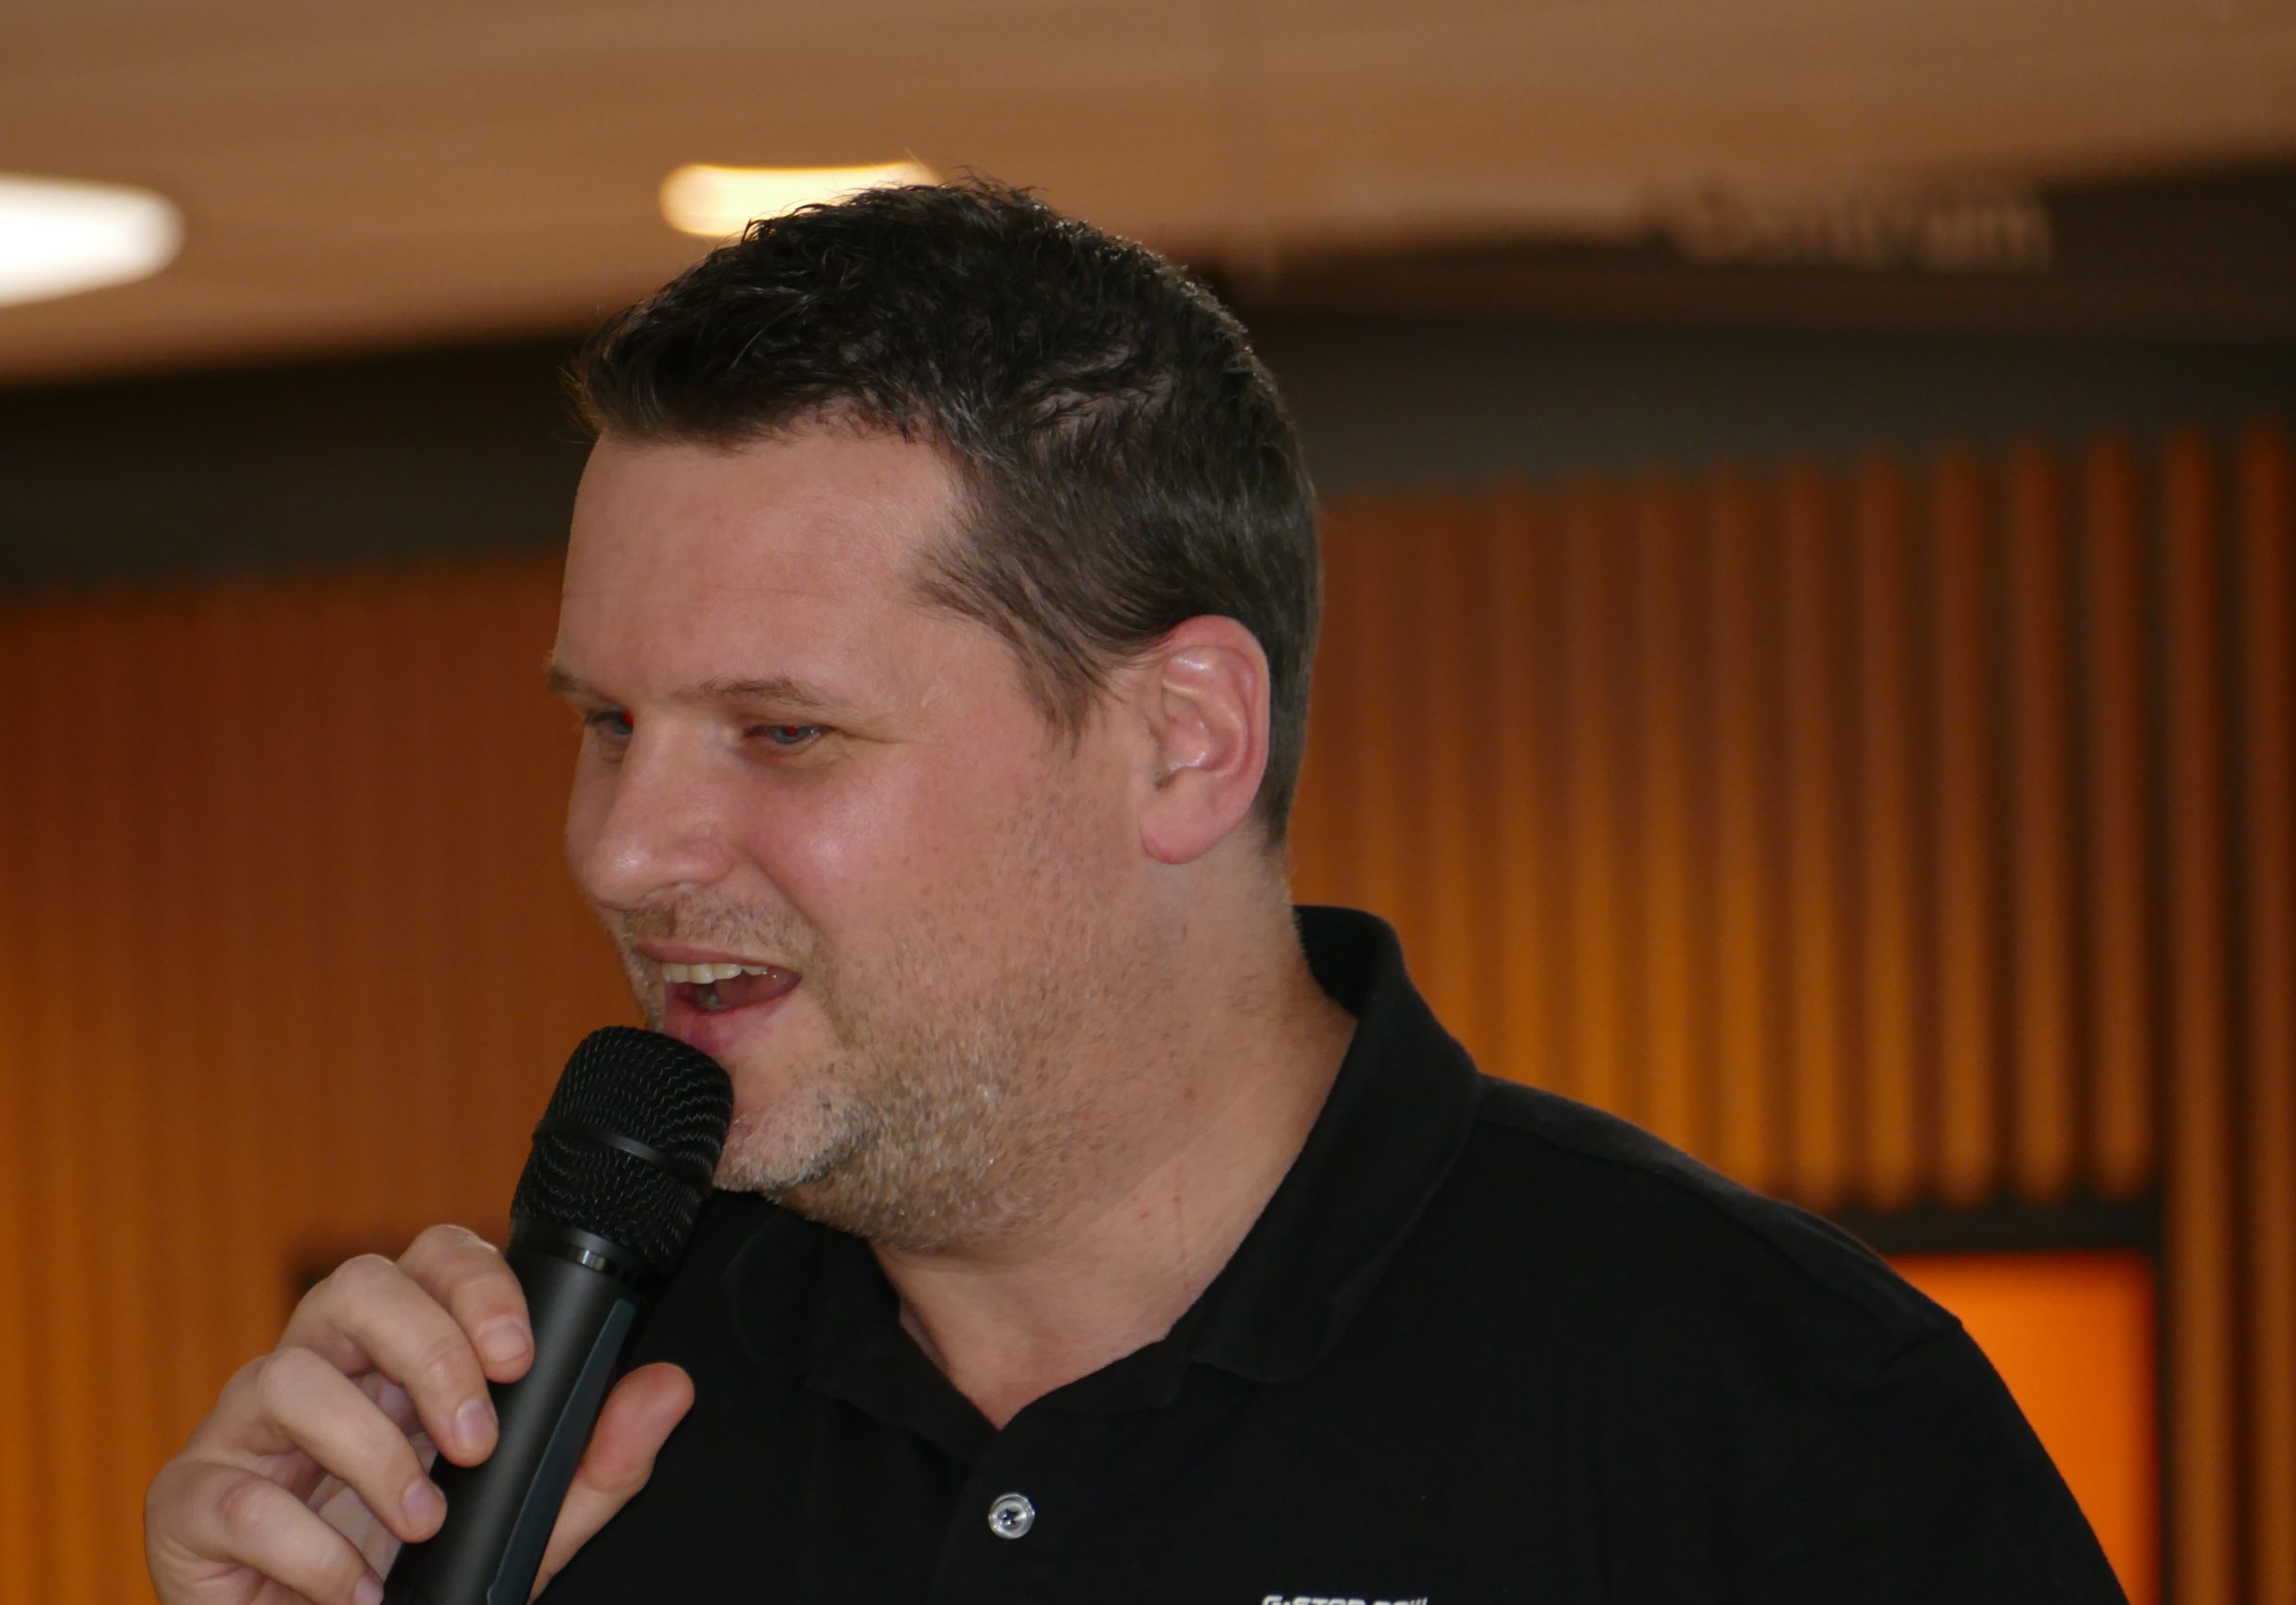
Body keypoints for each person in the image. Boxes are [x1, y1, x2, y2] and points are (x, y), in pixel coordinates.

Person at [145, 181, 2127, 1605]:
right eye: (606, 723)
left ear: (1183, 741)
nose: (621, 849)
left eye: (782, 732)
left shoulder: (1773, 1425)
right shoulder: (543, 1456)